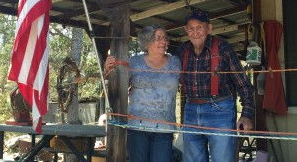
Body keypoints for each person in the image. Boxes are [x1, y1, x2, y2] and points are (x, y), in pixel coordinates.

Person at [175, 10, 254, 162]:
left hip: (220, 111)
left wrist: (246, 115)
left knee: (223, 159)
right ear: (186, 30)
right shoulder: (181, 51)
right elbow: (166, 74)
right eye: (191, 28)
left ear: (209, 28)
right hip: (191, 111)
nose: (195, 32)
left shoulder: (223, 49)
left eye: (200, 27)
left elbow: (244, 85)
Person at [104, 25, 181, 162]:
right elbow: (116, 86)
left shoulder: (175, 63)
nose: (164, 42)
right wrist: (108, 71)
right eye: (158, 38)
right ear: (147, 41)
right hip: (137, 128)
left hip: (164, 129)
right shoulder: (134, 62)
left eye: (165, 38)